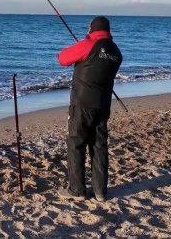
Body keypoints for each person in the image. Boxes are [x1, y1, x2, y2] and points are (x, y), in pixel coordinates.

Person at [56, 16, 122, 202]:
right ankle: (100, 191)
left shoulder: (87, 44)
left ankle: (77, 190)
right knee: (99, 145)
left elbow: (62, 58)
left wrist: (84, 45)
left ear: (92, 29)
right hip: (103, 105)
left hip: (82, 104)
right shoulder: (116, 52)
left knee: (76, 144)